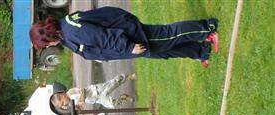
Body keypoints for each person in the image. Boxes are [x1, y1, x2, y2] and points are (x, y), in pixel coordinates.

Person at [30, 7, 219, 68]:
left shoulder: (73, 31)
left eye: (45, 45)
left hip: (129, 37)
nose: (48, 47)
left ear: (48, 37)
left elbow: (103, 37)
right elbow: (88, 46)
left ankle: (207, 28)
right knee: (165, 52)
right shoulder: (65, 34)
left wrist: (128, 46)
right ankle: (201, 50)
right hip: (126, 39)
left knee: (168, 35)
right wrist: (97, 56)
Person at [51, 73, 137, 112]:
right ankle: (123, 97)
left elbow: (83, 91)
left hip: (97, 90)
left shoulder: (70, 92)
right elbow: (78, 107)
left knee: (113, 84)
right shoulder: (71, 104)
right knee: (112, 105)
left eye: (62, 103)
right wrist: (82, 114)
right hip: (97, 99)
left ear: (62, 96)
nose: (64, 104)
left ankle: (128, 76)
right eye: (62, 105)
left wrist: (81, 100)